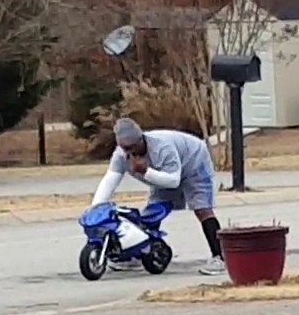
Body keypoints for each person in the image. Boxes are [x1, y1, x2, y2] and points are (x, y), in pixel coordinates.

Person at [90, 118, 225, 275]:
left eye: (132, 147)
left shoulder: (162, 148)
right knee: (153, 211)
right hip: (162, 172)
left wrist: (146, 171)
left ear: (141, 139)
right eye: (124, 148)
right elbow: (110, 179)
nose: (129, 153)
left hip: (194, 161)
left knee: (202, 209)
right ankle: (139, 255)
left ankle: (220, 257)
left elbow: (173, 180)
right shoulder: (121, 155)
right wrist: (96, 207)